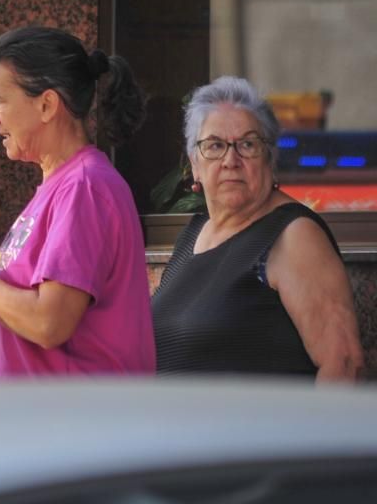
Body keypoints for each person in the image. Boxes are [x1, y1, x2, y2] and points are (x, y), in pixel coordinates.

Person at [0, 26, 153, 378]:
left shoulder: (85, 187)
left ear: (46, 105)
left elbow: (49, 323)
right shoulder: (63, 186)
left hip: (78, 425)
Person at [151, 75, 363, 381]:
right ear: (194, 165)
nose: (230, 160)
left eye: (248, 144)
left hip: (260, 428)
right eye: (214, 145)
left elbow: (343, 363)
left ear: (270, 159)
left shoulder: (294, 234)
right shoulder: (194, 233)